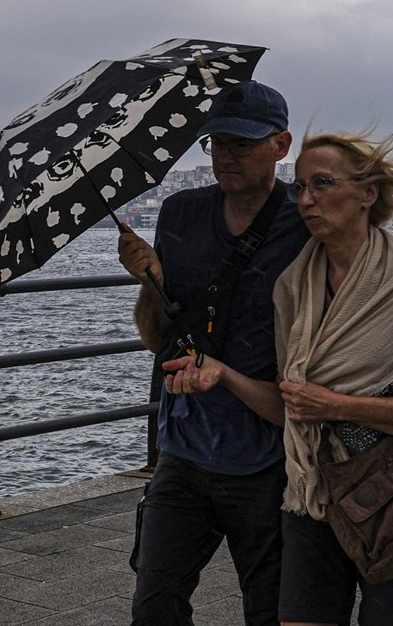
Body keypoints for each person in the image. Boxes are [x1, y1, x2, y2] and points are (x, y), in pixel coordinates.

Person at [118, 80, 309, 625]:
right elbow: (159, 337)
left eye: (241, 144)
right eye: (216, 143)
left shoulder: (305, 220)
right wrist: (150, 278)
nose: (225, 157)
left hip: (268, 454)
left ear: (281, 145)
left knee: (270, 607)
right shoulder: (181, 214)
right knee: (154, 603)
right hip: (184, 447)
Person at [272, 129, 393, 625]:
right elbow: (291, 403)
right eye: (300, 188)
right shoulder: (293, 285)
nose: (308, 200)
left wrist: (336, 405)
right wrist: (220, 375)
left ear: (367, 193)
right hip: (312, 490)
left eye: (323, 183)